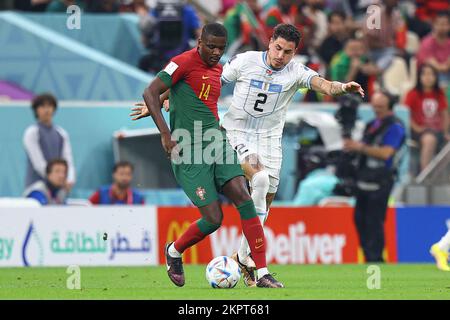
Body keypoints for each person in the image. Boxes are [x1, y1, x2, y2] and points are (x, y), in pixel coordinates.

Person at [131, 23, 283, 288]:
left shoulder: (217, 69)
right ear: (199, 42)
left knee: (245, 199)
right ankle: (174, 251)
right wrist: (165, 133)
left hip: (215, 141)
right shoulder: (181, 62)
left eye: (221, 48)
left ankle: (261, 272)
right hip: (188, 149)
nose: (215, 52)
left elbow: (178, 90)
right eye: (211, 46)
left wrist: (166, 98)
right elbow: (150, 91)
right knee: (213, 219)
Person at [220, 23, 364, 286]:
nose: (280, 56)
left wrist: (342, 87)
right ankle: (260, 268)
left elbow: (324, 85)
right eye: (277, 48)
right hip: (237, 133)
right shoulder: (245, 61)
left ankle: (242, 257)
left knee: (266, 197)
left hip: (270, 140)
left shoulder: (296, 71)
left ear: (295, 52)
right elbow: (210, 79)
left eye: (287, 52)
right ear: (270, 42)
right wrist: (172, 98)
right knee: (260, 180)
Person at [343, 90, 406, 262]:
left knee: (374, 221)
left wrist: (359, 147)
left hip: (382, 180)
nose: (377, 109)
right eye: (375, 106)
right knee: (360, 219)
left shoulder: (395, 126)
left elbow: (387, 153)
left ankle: (376, 259)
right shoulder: (372, 124)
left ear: (389, 106)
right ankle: (368, 257)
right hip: (364, 178)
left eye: (381, 106)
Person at [23, 93, 76, 189]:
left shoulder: (61, 133)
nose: (47, 110)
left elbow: (68, 159)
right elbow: (38, 162)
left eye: (49, 106)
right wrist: (54, 177)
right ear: (36, 110)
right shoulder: (32, 132)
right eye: (42, 106)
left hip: (58, 187)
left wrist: (69, 179)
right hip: (36, 186)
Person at [403, 64, 449, 173]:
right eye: (425, 74)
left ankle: (441, 177)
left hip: (437, 130)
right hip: (418, 130)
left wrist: (446, 132)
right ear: (419, 77)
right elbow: (406, 114)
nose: (428, 77)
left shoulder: (439, 94)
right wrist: (417, 128)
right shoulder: (412, 93)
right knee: (429, 139)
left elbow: (445, 115)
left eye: (431, 74)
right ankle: (425, 175)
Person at [416, 12, 450, 88]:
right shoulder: (426, 42)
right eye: (440, 24)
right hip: (430, 76)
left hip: (447, 73)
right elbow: (436, 66)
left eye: (445, 24)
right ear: (434, 25)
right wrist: (445, 66)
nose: (443, 27)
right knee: (437, 76)